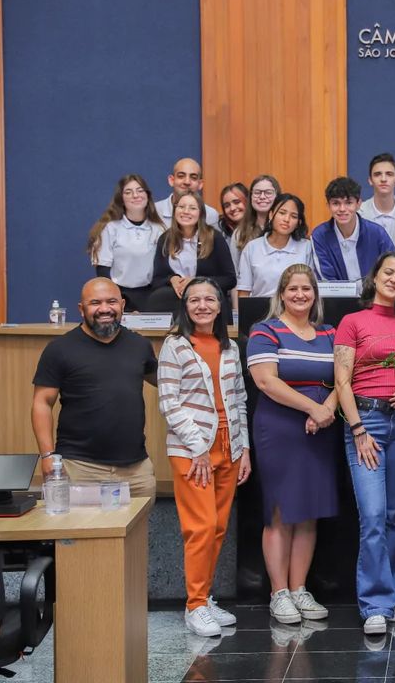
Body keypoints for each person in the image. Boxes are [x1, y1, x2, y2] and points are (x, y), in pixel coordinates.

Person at [334, 252, 395, 635]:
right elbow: (342, 381)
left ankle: (389, 597)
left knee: (391, 515)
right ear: (375, 277)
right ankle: (374, 604)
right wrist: (357, 430)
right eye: (388, 272)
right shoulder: (352, 322)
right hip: (366, 421)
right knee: (371, 515)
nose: (394, 279)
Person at [158, 277, 251, 637]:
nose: (202, 306)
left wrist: (243, 450)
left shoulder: (230, 347)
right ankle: (194, 606)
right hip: (191, 450)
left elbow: (239, 399)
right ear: (185, 306)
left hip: (228, 446)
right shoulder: (175, 345)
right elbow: (168, 401)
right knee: (199, 527)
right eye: (194, 300)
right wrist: (197, 446)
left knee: (217, 528)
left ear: (219, 305)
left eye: (209, 299)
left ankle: (205, 596)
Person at [246, 264, 338, 625]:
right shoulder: (265, 330)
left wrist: (327, 410)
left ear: (315, 294)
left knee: (309, 511)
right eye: (293, 289)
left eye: (307, 289)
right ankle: (278, 593)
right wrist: (312, 407)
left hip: (321, 429)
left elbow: (341, 379)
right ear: (281, 294)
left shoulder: (329, 332)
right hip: (280, 429)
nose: (300, 295)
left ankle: (299, 590)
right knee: (281, 511)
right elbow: (266, 382)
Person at [31, 278, 159, 497]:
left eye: (112, 301)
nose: (105, 309)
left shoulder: (139, 345)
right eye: (95, 303)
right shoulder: (59, 349)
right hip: (80, 468)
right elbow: (42, 403)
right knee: (86, 531)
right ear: (81, 309)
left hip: (136, 470)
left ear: (123, 305)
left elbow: (166, 381)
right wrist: (47, 456)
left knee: (137, 532)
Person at [147, 191, 237, 322]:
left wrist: (196, 281)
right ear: (175, 210)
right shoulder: (165, 239)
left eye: (192, 208)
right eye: (181, 207)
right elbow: (156, 280)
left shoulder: (214, 238)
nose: (186, 211)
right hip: (174, 300)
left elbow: (230, 279)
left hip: (205, 301)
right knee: (157, 298)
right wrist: (172, 279)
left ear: (200, 213)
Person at [87, 174, 166, 312]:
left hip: (151, 296)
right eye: (128, 192)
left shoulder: (159, 229)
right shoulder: (110, 228)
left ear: (147, 195)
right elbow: (103, 269)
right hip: (119, 296)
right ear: (121, 199)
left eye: (140, 190)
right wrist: (114, 299)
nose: (135, 195)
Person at [311, 177, 395, 282]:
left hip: (375, 296)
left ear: (358, 204)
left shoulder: (377, 233)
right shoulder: (320, 236)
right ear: (328, 205)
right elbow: (327, 281)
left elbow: (393, 268)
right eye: (336, 203)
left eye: (348, 203)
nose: (342, 209)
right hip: (336, 297)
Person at [237, 193, 316, 298]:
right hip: (260, 311)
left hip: (297, 308)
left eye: (293, 216)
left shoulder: (307, 247)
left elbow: (313, 289)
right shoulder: (252, 248)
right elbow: (244, 293)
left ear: (298, 222)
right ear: (271, 215)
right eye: (282, 213)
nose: (286, 219)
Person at [359, 152, 395, 246]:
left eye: (389, 174)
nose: (383, 179)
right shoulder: (358, 213)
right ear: (370, 180)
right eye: (377, 174)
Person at [154, 157, 221, 228]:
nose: (187, 182)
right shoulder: (154, 211)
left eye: (193, 177)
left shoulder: (210, 214)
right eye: (181, 176)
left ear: (200, 184)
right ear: (172, 180)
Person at [218, 183, 250, 271]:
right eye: (227, 205)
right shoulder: (220, 231)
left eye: (237, 202)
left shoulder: (258, 228)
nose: (232, 208)